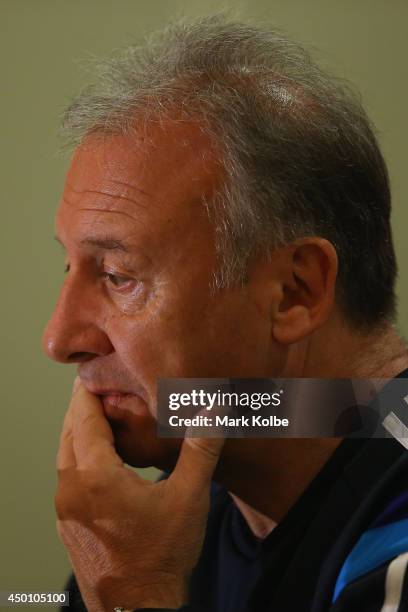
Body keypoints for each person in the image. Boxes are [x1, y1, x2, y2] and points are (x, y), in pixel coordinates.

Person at [42, 16, 408, 612]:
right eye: (70, 268)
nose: (59, 339)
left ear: (294, 293)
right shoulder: (169, 526)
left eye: (117, 277)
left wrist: (135, 599)